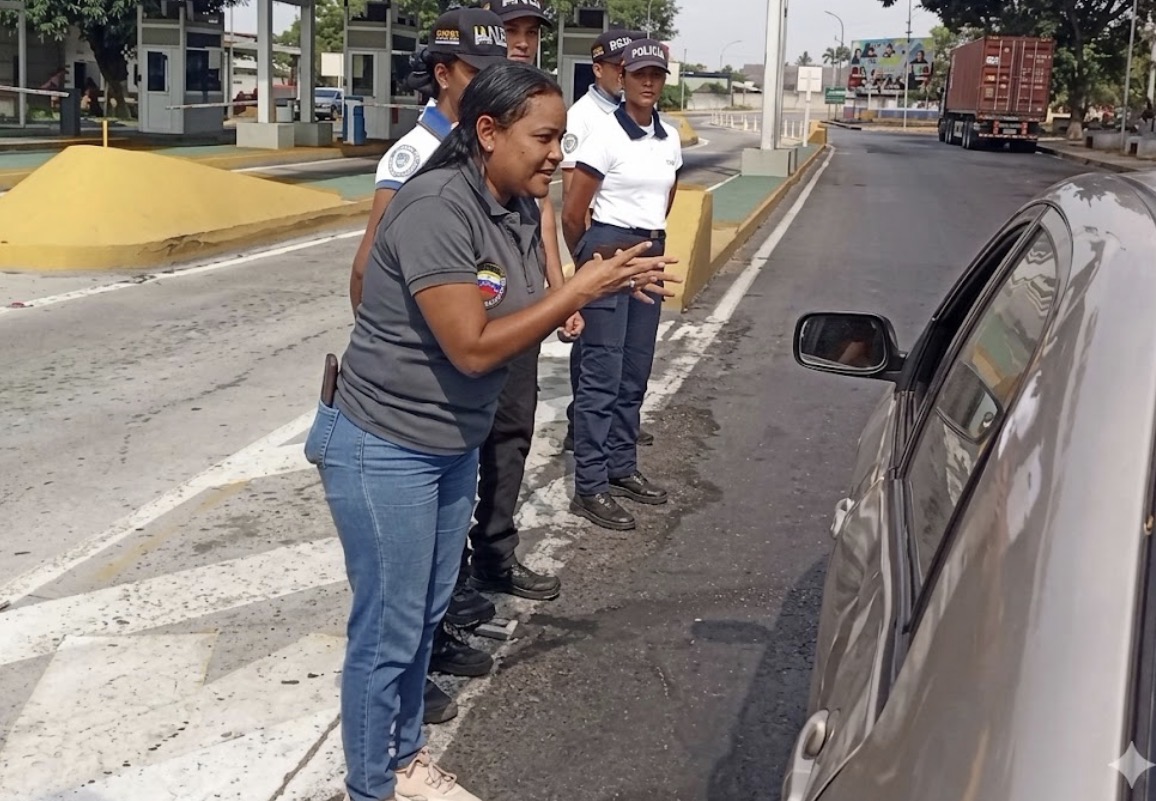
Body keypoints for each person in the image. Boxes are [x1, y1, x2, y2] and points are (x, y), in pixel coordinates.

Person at [305, 60, 677, 801]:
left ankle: (405, 760)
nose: (557, 156)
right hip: (387, 446)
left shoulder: (509, 205)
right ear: (487, 131)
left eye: (563, 140)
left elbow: (516, 306)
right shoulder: (438, 207)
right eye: (543, 138)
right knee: (387, 630)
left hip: (448, 444)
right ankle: (368, 787)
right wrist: (576, 287)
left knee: (423, 616)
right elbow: (472, 343)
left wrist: (596, 285)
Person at [344, 6, 510, 721]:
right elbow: (366, 270)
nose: (490, 87)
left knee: (443, 541)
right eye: (479, 73)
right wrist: (402, 356)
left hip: (471, 364)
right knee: (405, 561)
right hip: (417, 387)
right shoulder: (414, 157)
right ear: (443, 75)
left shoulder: (483, 152)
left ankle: (437, 641)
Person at [460, 0, 578, 604]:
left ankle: (495, 557)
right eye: (512, 33)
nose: (522, 43)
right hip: (465, 336)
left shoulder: (529, 149)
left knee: (511, 441)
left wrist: (562, 295)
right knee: (455, 459)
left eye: (531, 34)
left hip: (517, 331)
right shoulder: (440, 151)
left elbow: (542, 222)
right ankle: (451, 585)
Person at [561, 39, 682, 531]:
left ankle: (621, 465)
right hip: (608, 251)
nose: (648, 83)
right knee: (600, 373)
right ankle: (590, 484)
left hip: (648, 251)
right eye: (639, 75)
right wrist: (590, 262)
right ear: (623, 78)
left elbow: (665, 199)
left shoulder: (669, 138)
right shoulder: (604, 136)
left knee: (635, 369)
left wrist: (647, 242)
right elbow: (573, 212)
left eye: (657, 75)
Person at [559, 28, 654, 454]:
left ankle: (616, 425)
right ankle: (581, 427)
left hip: (627, 244)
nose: (625, 74)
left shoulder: (628, 111)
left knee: (626, 352)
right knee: (596, 352)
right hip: (598, 240)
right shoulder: (583, 117)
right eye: (619, 67)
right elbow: (572, 201)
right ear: (598, 69)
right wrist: (585, 253)